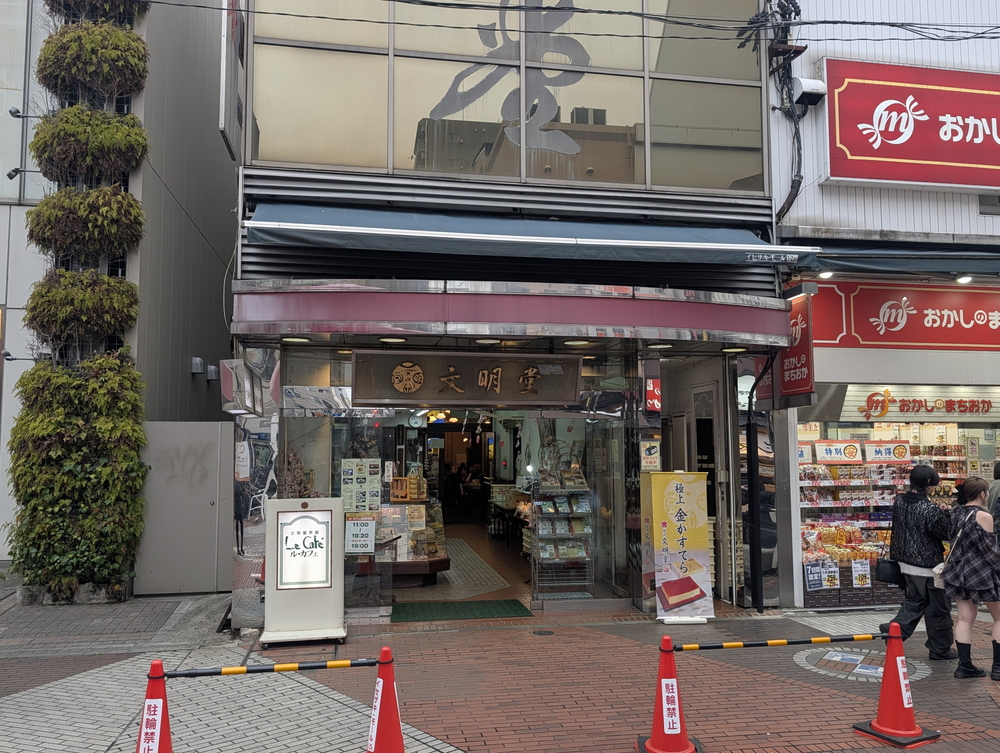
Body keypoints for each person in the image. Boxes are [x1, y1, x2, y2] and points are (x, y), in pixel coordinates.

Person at [879, 465, 956, 661]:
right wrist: (947, 514)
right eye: (933, 484)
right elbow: (945, 533)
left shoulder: (899, 501)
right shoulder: (929, 508)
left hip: (904, 563)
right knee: (938, 608)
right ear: (927, 484)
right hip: (927, 566)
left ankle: (895, 629)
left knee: (915, 600)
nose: (934, 488)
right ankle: (940, 649)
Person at [941, 477, 1000, 679]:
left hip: (958, 572)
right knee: (999, 618)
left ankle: (964, 666)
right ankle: (998, 668)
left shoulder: (955, 513)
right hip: (981, 572)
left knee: (965, 619)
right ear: (982, 494)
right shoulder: (983, 516)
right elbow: (990, 551)